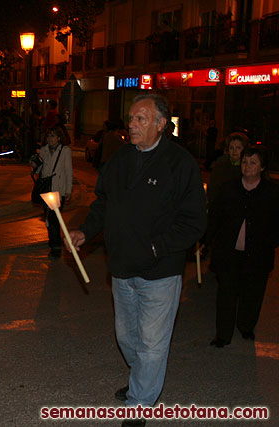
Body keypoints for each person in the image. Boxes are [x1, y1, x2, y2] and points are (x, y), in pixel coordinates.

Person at [68, 94, 206, 427]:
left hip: (161, 272)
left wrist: (158, 248)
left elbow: (194, 222)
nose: (131, 124)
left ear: (162, 124)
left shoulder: (180, 164)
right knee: (127, 338)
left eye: (140, 119)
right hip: (121, 268)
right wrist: (86, 231)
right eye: (131, 118)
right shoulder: (119, 160)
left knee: (152, 342)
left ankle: (140, 402)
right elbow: (102, 203)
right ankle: (141, 380)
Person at [204, 146, 279, 348]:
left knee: (252, 294)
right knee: (226, 294)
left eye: (253, 162)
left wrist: (270, 242)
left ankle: (246, 326)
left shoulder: (272, 193)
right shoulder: (229, 188)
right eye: (245, 162)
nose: (247, 166)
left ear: (262, 167)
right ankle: (223, 334)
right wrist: (205, 241)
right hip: (229, 253)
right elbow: (215, 218)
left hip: (257, 255)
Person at [31, 127, 73, 258]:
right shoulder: (43, 150)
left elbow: (68, 171)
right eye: (48, 136)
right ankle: (53, 242)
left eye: (53, 136)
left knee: (54, 219)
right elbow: (39, 170)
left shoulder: (64, 151)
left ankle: (55, 247)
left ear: (59, 138)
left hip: (57, 189)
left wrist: (68, 190)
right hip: (46, 189)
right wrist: (34, 164)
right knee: (48, 218)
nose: (50, 139)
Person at [206, 132, 248, 211]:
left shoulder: (248, 167)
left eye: (238, 148)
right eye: (231, 148)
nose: (234, 151)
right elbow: (213, 190)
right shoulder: (220, 165)